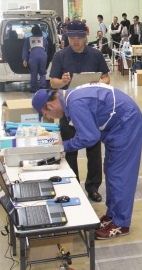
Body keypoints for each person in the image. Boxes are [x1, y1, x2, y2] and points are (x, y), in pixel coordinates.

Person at [31, 85, 142, 240]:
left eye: (46, 114)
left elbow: (89, 137)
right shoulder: (70, 97)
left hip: (126, 122)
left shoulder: (75, 103)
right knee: (111, 171)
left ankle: (121, 224)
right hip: (116, 124)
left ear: (50, 105)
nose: (50, 118)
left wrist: (64, 147)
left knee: (120, 174)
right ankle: (112, 215)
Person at [49, 20, 110, 202]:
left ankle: (92, 187)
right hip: (67, 111)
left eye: (79, 38)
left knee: (93, 150)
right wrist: (63, 81)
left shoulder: (95, 55)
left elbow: (106, 77)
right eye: (71, 38)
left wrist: (97, 84)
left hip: (92, 112)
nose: (75, 41)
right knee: (70, 151)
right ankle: (73, 186)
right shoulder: (60, 56)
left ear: (86, 37)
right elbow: (53, 82)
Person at [22, 25, 48, 92]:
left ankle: (33, 88)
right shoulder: (44, 39)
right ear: (40, 31)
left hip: (33, 56)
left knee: (34, 72)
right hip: (43, 55)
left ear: (32, 32)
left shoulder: (28, 39)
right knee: (42, 73)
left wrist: (25, 59)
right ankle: (43, 87)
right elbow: (47, 48)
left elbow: (25, 49)